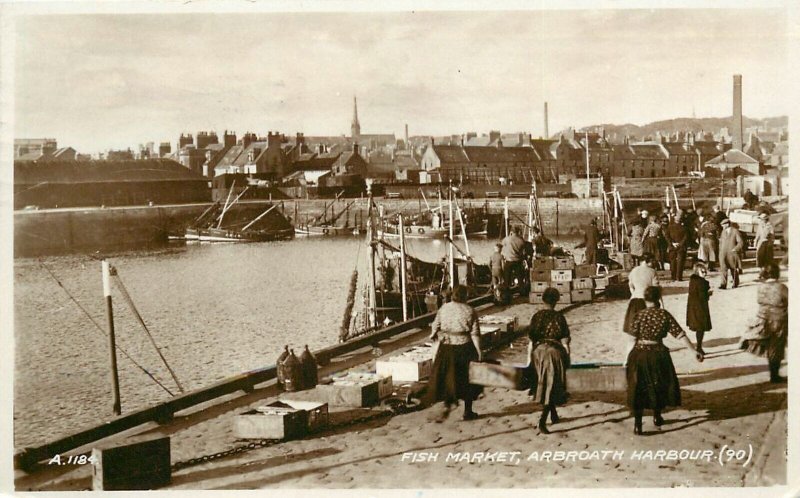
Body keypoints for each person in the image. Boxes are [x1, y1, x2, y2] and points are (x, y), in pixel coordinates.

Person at [627, 286, 703, 435]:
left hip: (640, 354)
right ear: (658, 299)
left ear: (645, 299)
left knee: (639, 388)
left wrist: (627, 358)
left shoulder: (639, 315)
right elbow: (680, 335)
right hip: (658, 354)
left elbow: (631, 339)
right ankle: (657, 416)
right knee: (658, 385)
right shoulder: (664, 315)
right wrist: (693, 351)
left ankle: (638, 425)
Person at [426, 285, 483, 421]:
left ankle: (447, 404)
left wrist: (434, 336)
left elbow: (435, 327)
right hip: (465, 348)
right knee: (468, 379)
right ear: (465, 296)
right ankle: (467, 411)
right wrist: (480, 352)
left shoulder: (444, 308)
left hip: (447, 347)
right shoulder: (470, 310)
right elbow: (475, 334)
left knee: (448, 378)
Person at [527, 287, 571, 434]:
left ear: (543, 300)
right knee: (552, 384)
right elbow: (565, 342)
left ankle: (554, 414)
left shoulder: (536, 316)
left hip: (538, 352)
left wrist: (529, 360)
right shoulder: (559, 317)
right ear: (557, 301)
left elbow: (531, 341)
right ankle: (542, 420)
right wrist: (568, 359)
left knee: (546, 383)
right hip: (553, 353)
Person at [740, 263, 788, 383]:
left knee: (770, 347)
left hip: (764, 320)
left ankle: (773, 373)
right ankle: (774, 375)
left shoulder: (761, 287)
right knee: (776, 348)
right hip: (779, 321)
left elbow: (760, 301)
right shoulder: (781, 287)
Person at [623, 254, 659, 364]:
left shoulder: (633, 271)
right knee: (648, 332)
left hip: (634, 302)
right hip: (646, 302)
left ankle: (627, 359)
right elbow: (655, 289)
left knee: (632, 333)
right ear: (648, 261)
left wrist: (634, 293)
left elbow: (630, 286)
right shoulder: (652, 272)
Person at [686, 262, 712, 355]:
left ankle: (699, 346)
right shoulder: (702, 283)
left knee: (699, 328)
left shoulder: (693, 281)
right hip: (700, 308)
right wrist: (708, 293)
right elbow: (702, 296)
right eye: (703, 271)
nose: (705, 273)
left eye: (705, 271)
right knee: (700, 328)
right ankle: (699, 347)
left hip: (693, 308)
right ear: (697, 271)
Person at [718, 218, 744, 289]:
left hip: (732, 253)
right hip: (723, 253)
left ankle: (735, 282)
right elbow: (721, 242)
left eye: (723, 225)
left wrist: (736, 248)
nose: (722, 226)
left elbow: (740, 242)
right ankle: (723, 284)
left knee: (733, 268)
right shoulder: (723, 232)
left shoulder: (735, 231)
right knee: (723, 268)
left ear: (727, 224)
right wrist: (720, 251)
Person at [665, 213, 687, 281]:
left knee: (672, 262)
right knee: (680, 262)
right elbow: (686, 237)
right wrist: (680, 244)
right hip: (681, 246)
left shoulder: (669, 227)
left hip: (672, 246)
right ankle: (679, 277)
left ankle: (673, 277)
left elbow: (667, 236)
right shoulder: (684, 227)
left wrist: (672, 243)